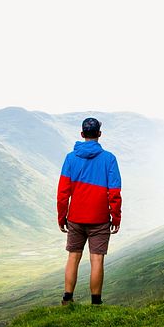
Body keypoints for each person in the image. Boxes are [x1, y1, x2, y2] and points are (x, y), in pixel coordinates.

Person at [57, 117, 122, 306]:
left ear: (82, 134)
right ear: (99, 135)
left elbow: (63, 193)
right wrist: (115, 217)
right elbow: (115, 192)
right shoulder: (109, 159)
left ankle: (67, 299)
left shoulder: (70, 158)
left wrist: (62, 217)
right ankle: (96, 303)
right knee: (97, 260)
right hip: (100, 219)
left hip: (75, 218)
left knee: (73, 257)